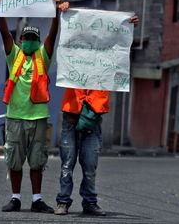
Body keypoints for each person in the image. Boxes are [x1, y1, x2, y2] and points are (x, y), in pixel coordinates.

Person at [54, 14, 139, 216]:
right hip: (71, 118)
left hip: (93, 121)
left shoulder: (105, 60)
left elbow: (120, 48)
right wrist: (61, 13)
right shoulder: (73, 56)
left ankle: (89, 202)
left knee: (90, 166)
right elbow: (64, 40)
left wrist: (128, 27)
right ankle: (63, 202)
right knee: (67, 164)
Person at [0, 0, 69, 213]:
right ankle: (15, 198)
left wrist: (55, 13)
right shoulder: (13, 55)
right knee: (14, 160)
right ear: (21, 41)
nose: (31, 42)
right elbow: (4, 34)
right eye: (27, 39)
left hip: (38, 118)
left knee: (37, 160)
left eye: (34, 39)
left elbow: (52, 37)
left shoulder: (43, 57)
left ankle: (37, 199)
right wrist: (0, 9)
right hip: (15, 117)